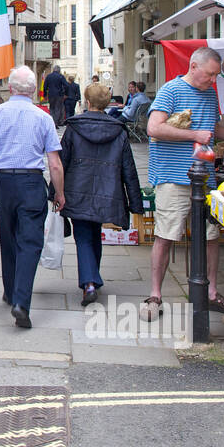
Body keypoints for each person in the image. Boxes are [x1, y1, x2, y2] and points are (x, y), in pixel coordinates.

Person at [143, 46, 224, 322]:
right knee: (166, 236)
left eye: (216, 76)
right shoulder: (171, 91)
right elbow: (153, 128)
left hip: (205, 178)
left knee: (212, 238)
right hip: (173, 176)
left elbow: (214, 129)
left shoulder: (211, 94)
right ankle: (155, 294)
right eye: (210, 74)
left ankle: (212, 293)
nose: (213, 80)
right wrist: (194, 134)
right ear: (193, 66)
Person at [0, 66, 65, 329]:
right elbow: (54, 163)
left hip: (2, 183)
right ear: (33, 91)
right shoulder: (43, 118)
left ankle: (10, 290)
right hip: (31, 182)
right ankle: (21, 302)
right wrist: (60, 193)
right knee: (29, 242)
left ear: (11, 88)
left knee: (7, 236)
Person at [61, 83, 145, 306]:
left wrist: (55, 193)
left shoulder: (74, 128)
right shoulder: (118, 131)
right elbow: (129, 169)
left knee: (83, 236)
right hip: (108, 192)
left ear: (87, 103)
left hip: (77, 190)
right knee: (94, 232)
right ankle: (93, 280)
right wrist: (136, 204)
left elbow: (61, 163)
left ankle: (89, 282)